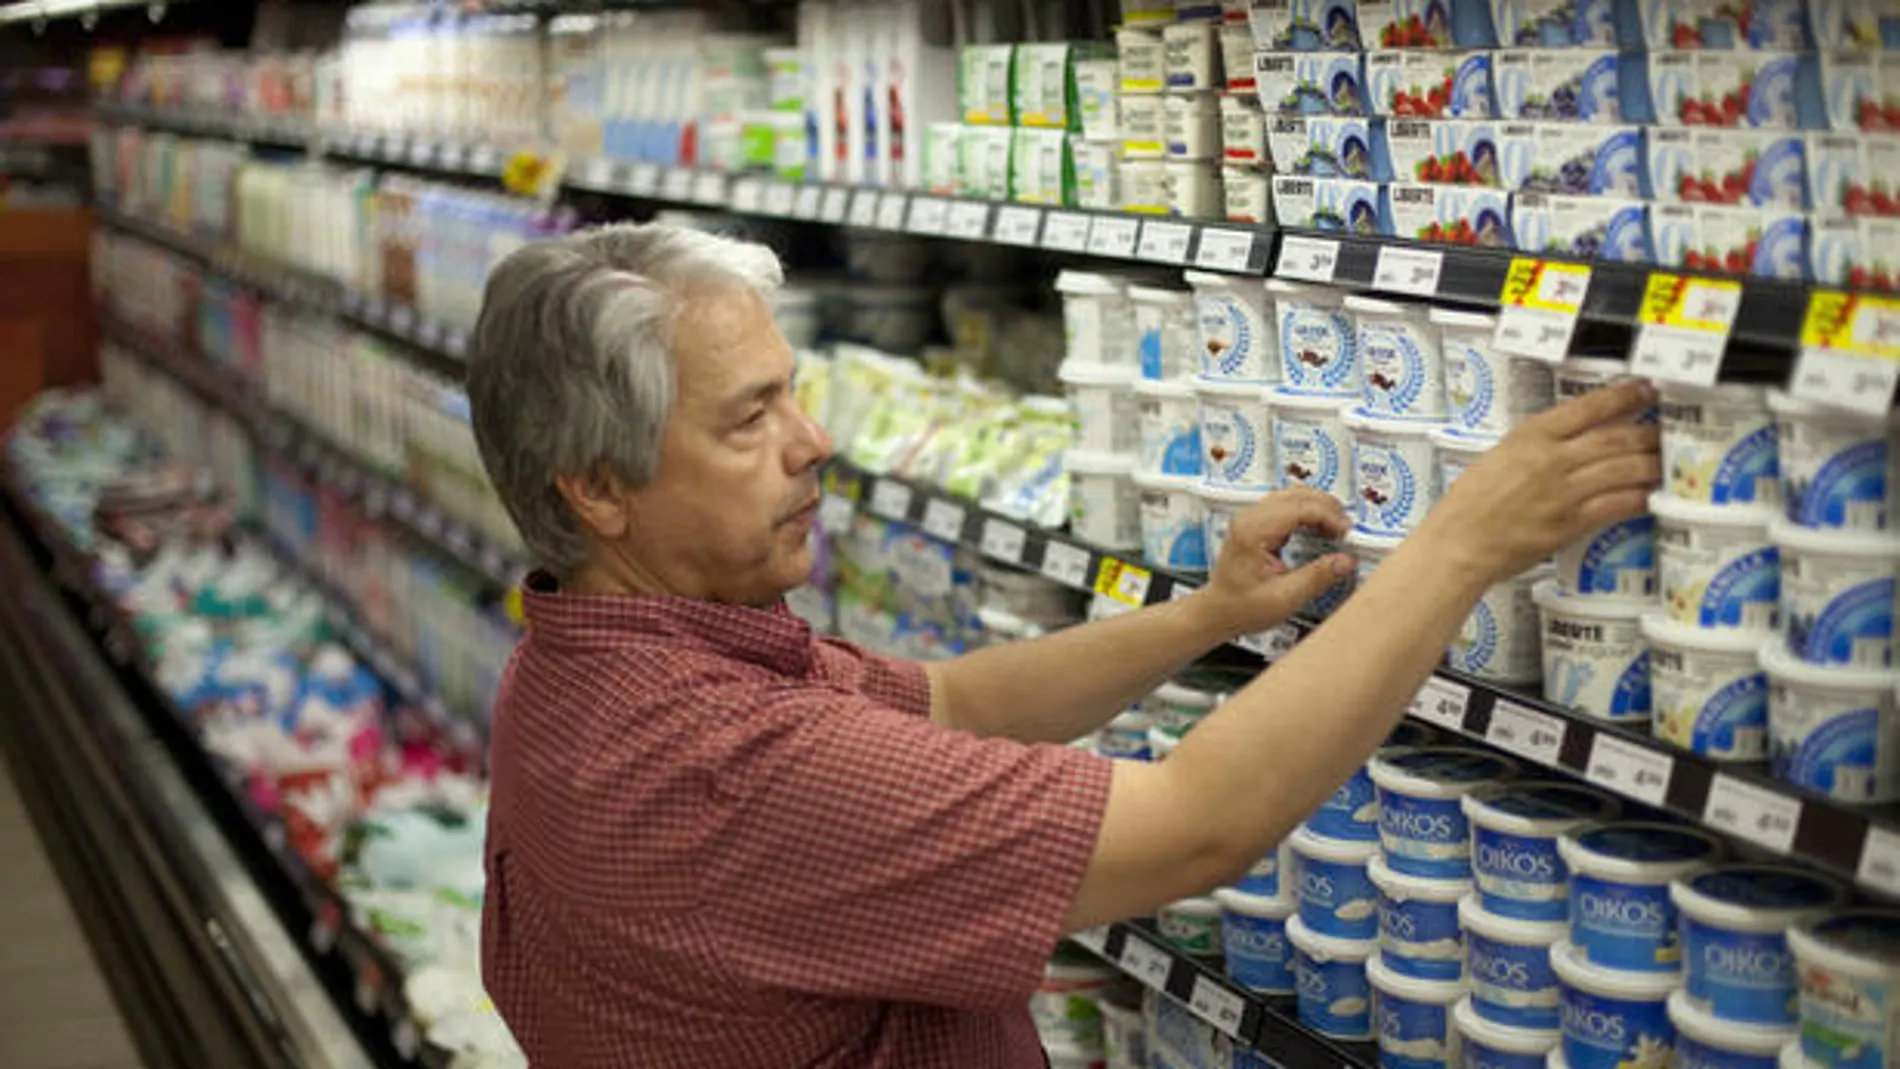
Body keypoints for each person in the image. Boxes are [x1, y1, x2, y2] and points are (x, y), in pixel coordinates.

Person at [465, 223, 1660, 1068]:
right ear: (597, 488)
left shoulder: (595, 652)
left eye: (793, 391)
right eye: (749, 418)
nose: (813, 439)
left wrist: (1205, 616)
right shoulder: (712, 764)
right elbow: (1197, 824)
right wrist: (1460, 547)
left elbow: (947, 700)